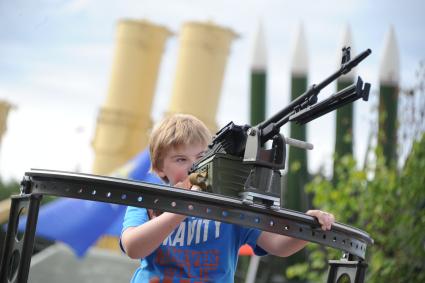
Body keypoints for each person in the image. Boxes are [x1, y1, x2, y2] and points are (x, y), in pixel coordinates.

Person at [121, 113, 335, 283]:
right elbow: (133, 247)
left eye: (201, 157)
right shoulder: (150, 201)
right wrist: (183, 208)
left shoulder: (229, 205)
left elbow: (278, 245)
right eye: (180, 160)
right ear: (160, 168)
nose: (192, 167)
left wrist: (308, 225)